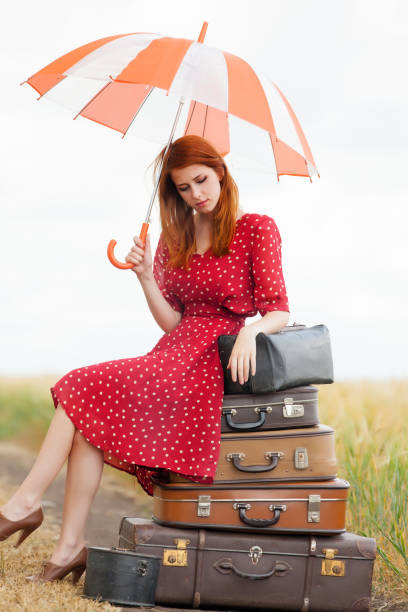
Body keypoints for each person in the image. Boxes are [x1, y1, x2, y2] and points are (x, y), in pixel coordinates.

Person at [0, 134, 290, 583]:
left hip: (214, 358)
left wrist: (252, 329)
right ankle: (69, 548)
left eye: (202, 180)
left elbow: (279, 311)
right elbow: (174, 324)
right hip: (176, 350)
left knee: (78, 385)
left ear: (221, 173)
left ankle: (24, 504)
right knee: (87, 422)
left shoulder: (256, 228)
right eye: (184, 188)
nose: (197, 194)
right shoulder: (174, 238)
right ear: (173, 192)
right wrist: (143, 278)